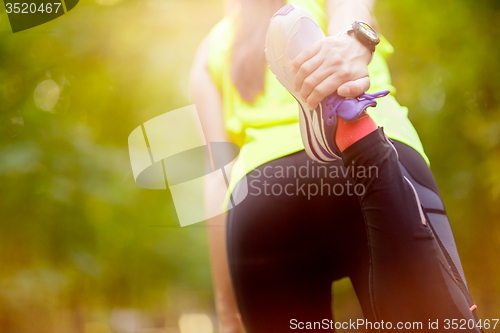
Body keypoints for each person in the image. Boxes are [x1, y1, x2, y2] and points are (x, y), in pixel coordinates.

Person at [190, 0, 482, 332]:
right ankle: (345, 109)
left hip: (260, 194)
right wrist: (353, 40)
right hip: (369, 164)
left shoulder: (210, 49)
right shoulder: (314, 6)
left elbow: (216, 176)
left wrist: (228, 313)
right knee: (432, 320)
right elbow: (352, 9)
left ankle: (336, 109)